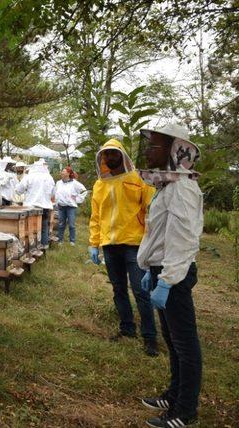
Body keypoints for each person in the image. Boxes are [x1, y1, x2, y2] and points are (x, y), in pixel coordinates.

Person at [136, 124, 203, 428]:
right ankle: (174, 394)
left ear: (176, 150)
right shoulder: (168, 185)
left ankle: (185, 410)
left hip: (173, 275)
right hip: (162, 270)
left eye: (155, 146)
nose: (148, 151)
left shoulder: (183, 188)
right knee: (172, 340)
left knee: (185, 343)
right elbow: (161, 234)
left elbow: (185, 239)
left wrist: (168, 277)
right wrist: (151, 267)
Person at [88, 138, 158, 356]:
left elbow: (151, 210)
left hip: (134, 244)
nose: (109, 158)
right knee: (118, 288)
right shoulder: (100, 184)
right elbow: (96, 216)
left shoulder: (138, 179)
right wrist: (94, 243)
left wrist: (150, 241)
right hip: (110, 245)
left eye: (113, 154)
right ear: (102, 158)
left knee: (140, 291)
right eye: (106, 155)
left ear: (122, 155)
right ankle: (127, 328)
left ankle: (150, 337)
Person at [15, 159, 55, 248]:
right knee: (44, 228)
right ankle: (44, 248)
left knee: (29, 229)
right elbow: (53, 194)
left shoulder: (29, 177)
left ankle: (30, 248)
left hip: (30, 207)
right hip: (44, 206)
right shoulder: (49, 178)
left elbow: (18, 190)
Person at [54, 166, 87, 245]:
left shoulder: (74, 183)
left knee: (71, 225)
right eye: (62, 171)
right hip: (61, 206)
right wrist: (56, 202)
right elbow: (56, 193)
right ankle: (60, 240)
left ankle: (72, 241)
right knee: (61, 224)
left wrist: (77, 198)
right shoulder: (58, 183)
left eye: (64, 171)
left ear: (68, 173)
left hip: (71, 207)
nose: (62, 172)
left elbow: (84, 191)